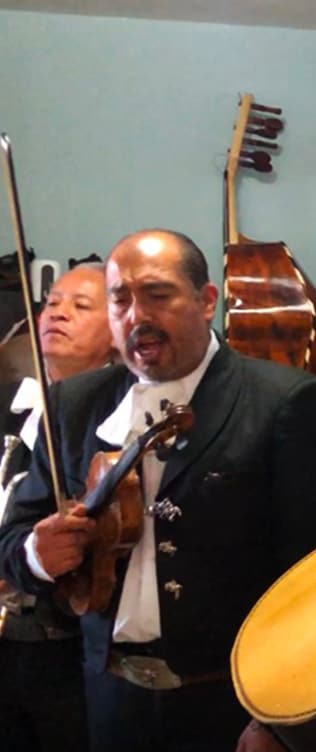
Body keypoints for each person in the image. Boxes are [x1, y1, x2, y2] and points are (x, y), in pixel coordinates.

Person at [0, 229, 316, 752]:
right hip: (108, 699)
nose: (135, 314)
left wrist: (280, 720)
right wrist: (35, 552)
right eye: (120, 298)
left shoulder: (289, 402)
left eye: (158, 295)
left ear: (206, 301)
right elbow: (12, 541)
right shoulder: (73, 404)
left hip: (232, 704)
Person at [0, 262, 117, 752]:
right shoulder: (11, 404)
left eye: (80, 306)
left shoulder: (121, 420)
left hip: (68, 646)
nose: (58, 314)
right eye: (52, 303)